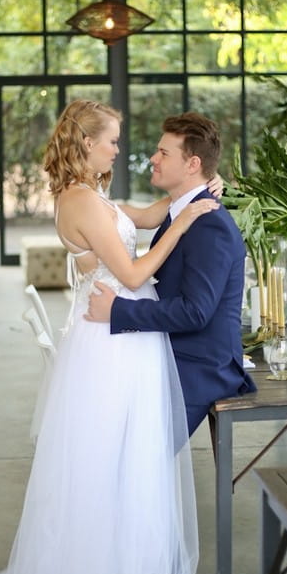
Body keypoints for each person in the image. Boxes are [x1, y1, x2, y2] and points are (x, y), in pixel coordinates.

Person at [0, 99, 220, 574]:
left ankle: (132, 570)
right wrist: (186, 222)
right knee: (114, 461)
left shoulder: (92, 197)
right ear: (85, 143)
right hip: (111, 344)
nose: (119, 149)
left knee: (125, 459)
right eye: (111, 141)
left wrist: (195, 196)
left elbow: (144, 217)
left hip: (119, 333)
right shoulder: (80, 199)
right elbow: (131, 273)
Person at [86, 112, 256, 437]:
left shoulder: (209, 225)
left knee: (126, 441)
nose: (153, 158)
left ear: (192, 165)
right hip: (170, 348)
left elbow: (195, 312)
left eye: (163, 153)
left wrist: (117, 311)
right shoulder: (181, 211)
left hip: (199, 365)